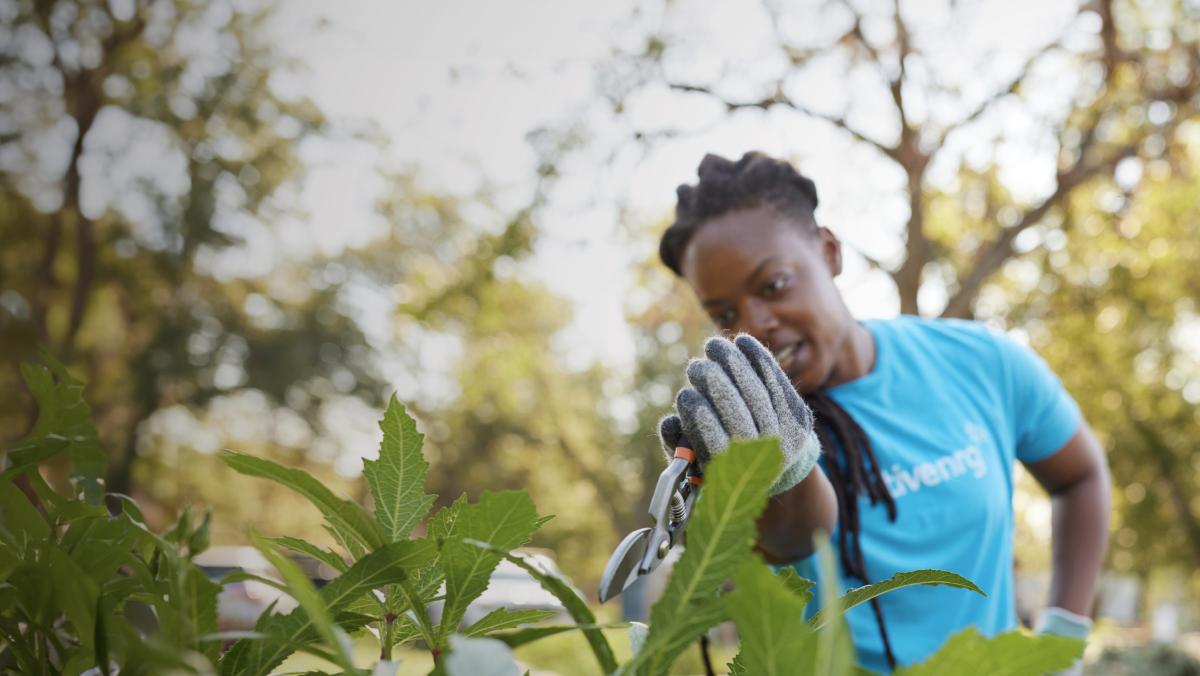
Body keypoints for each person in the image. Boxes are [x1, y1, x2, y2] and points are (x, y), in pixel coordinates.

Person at [654, 151, 1112, 672]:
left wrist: (1064, 639)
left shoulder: (983, 362)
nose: (754, 324)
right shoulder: (749, 431)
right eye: (725, 314)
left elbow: (1080, 475)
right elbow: (796, 536)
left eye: (772, 285)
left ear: (828, 252)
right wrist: (775, 472)